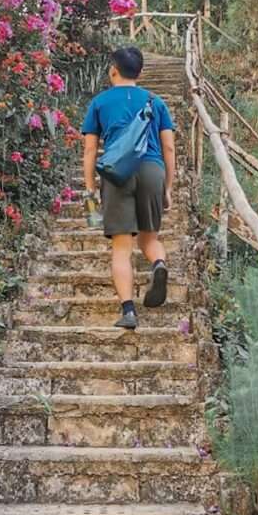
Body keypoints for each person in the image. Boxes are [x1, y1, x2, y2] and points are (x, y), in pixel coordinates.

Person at [81, 46, 176, 330]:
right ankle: (158, 264)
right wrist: (167, 187)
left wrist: (89, 189)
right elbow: (169, 146)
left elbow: (89, 150)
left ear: (112, 70)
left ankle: (129, 312)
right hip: (151, 169)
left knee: (122, 248)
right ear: (140, 72)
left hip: (116, 173)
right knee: (149, 239)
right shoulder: (155, 101)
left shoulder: (99, 103)